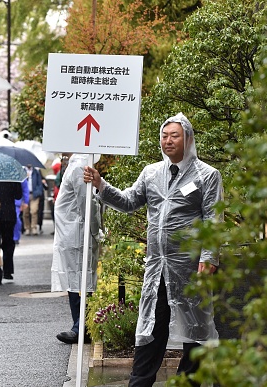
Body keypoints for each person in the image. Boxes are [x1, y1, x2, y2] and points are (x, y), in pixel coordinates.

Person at [83, 113, 223, 386]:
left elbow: (213, 220)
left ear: (189, 139)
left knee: (195, 330)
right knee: (151, 329)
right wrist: (101, 184)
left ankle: (189, 381)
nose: (168, 141)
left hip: (190, 270)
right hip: (158, 269)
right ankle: (139, 382)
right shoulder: (151, 173)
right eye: (164, 135)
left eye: (174, 136)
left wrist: (208, 257)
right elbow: (127, 201)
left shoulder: (207, 175)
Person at [52, 153, 102, 345]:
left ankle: (82, 326)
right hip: (76, 232)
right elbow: (87, 205)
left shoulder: (78, 165)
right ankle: (80, 326)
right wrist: (97, 230)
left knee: (78, 279)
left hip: (74, 231)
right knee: (78, 279)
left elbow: (86, 204)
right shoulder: (80, 166)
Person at [0, 181, 23, 284]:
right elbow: (18, 196)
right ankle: (7, 271)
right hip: (9, 214)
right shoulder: (12, 177)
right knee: (8, 243)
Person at [22, 164, 45, 236]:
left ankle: (34, 227)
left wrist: (38, 192)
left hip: (34, 194)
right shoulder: (22, 171)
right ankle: (27, 228)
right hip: (25, 194)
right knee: (26, 212)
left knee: (34, 211)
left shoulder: (36, 171)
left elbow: (39, 184)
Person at [14, 178, 30, 244]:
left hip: (16, 202)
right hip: (5, 201)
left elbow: (25, 189)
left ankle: (15, 237)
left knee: (16, 220)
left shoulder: (20, 175)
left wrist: (26, 202)